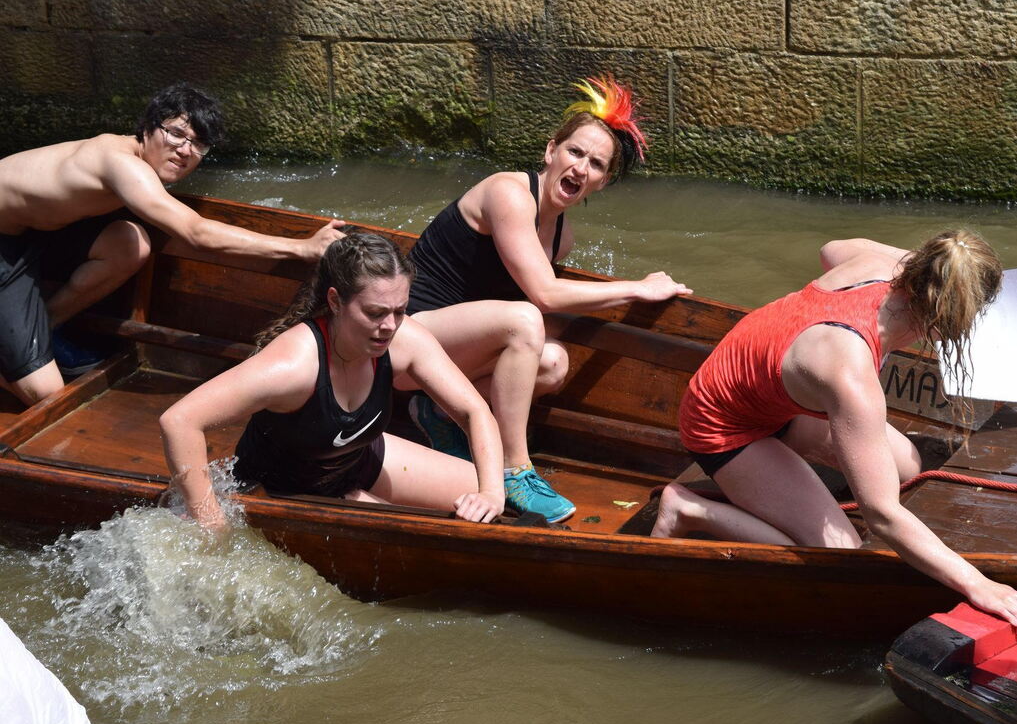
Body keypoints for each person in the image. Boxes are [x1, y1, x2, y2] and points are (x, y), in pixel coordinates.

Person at [651, 230, 1017, 636]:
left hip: (774, 397)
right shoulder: (849, 374)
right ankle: (690, 510)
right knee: (842, 553)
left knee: (908, 466)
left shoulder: (881, 265)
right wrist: (979, 584)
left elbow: (830, 248)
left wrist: (939, 265)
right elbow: (882, 515)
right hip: (723, 423)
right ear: (944, 317)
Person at [401, 76, 692, 523]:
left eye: (595, 164)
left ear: (602, 182)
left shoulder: (561, 236)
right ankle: (514, 469)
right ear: (550, 151)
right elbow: (543, 295)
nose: (580, 168)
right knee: (525, 320)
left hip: (450, 353)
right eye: (575, 152)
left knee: (553, 361)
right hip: (404, 341)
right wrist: (637, 287)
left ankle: (437, 411)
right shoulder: (508, 193)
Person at [0, 83, 343, 408]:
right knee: (45, 392)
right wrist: (302, 248)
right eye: (176, 133)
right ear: (148, 127)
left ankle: (44, 328)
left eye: (198, 144)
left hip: (30, 233)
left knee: (129, 243)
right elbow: (195, 233)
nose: (185, 150)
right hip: (6, 244)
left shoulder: (133, 163)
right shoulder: (120, 163)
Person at [159, 231, 505, 533]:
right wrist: (210, 521)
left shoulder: (404, 340)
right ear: (335, 301)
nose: (390, 326)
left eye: (399, 310)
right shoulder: (292, 366)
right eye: (375, 313)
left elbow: (474, 411)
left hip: (356, 459)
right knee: (416, 542)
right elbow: (180, 421)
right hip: (285, 489)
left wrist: (490, 493)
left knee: (500, 505)